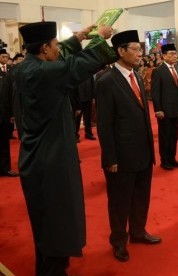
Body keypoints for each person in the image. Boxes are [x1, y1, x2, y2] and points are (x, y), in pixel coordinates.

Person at [14, 21, 115, 275]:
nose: (59, 49)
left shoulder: (30, 65)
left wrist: (77, 38)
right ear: (45, 48)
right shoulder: (42, 73)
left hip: (41, 158)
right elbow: (73, 66)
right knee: (54, 224)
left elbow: (62, 60)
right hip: (49, 161)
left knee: (50, 223)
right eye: (56, 45)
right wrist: (99, 40)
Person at [95, 30, 161, 262]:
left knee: (142, 195)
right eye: (134, 49)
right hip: (121, 156)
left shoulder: (137, 76)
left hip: (143, 151)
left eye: (140, 49)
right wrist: (110, 158)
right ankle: (119, 241)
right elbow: (104, 124)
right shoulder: (106, 80)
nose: (139, 53)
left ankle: (138, 231)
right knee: (120, 201)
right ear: (120, 51)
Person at [151, 43, 178, 170]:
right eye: (171, 54)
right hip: (164, 110)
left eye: (175, 53)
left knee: (174, 136)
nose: (174, 56)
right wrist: (158, 109)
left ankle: (172, 158)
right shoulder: (158, 71)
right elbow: (155, 92)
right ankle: (165, 160)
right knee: (165, 136)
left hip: (176, 109)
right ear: (164, 56)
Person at [0, 50, 18, 177]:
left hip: (5, 112)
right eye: (3, 56)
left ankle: (5, 168)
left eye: (7, 56)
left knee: (4, 142)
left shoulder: (10, 71)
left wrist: (12, 113)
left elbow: (11, 93)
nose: (5, 58)